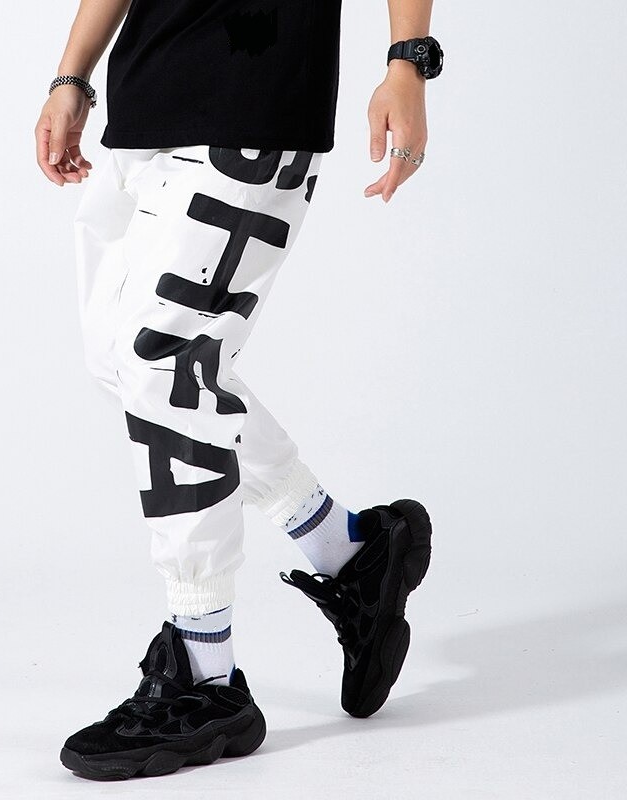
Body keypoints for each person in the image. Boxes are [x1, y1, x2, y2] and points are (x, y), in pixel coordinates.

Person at [34, 0, 442, 781]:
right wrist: (72, 75)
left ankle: (203, 671)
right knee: (126, 362)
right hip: (151, 86)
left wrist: (408, 61)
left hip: (254, 85)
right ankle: (349, 549)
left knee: (165, 364)